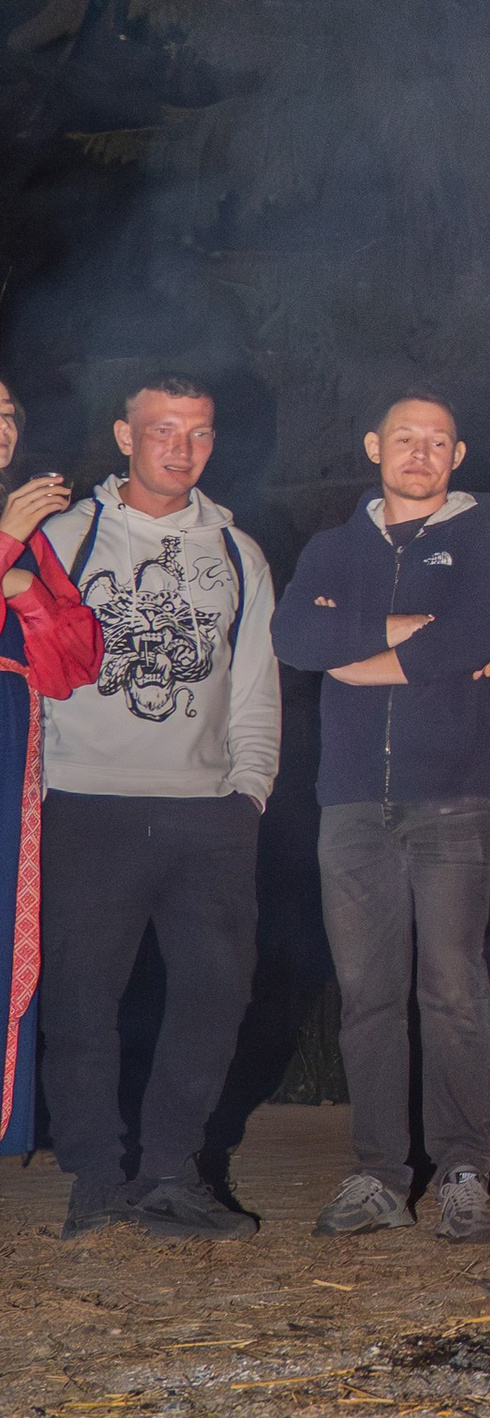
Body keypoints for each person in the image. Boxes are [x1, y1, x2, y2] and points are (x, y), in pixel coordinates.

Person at [272, 394, 490, 1243]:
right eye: (405, 438)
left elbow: (474, 637)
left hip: (452, 796)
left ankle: (462, 1174)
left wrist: (360, 660)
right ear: (374, 443)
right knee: (367, 995)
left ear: (459, 454)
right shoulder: (331, 547)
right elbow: (293, 636)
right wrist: (394, 629)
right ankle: (378, 1174)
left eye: (438, 441)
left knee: (453, 989)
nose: (421, 452)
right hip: (349, 804)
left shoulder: (487, 535)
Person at [36, 377, 279, 1237]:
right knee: (80, 997)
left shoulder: (238, 552)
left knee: (216, 990)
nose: (181, 448)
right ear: (124, 436)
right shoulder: (63, 537)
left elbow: (253, 684)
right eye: (163, 430)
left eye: (200, 434)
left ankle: (172, 1169)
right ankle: (96, 1174)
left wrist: (250, 790)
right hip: (86, 802)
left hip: (206, 810)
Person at [0, 382, 104, 1153]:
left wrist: (29, 587)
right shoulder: (17, 527)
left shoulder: (36, 537)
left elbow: (74, 660)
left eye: (8, 415)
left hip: (10, 727)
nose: (1, 429)